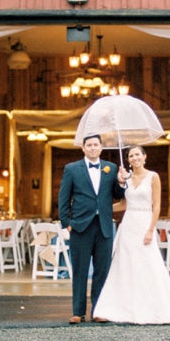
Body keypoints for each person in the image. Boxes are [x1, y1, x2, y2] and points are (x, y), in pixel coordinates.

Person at [92, 144, 170, 325]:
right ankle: (122, 307)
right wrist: (99, 209)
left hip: (144, 223)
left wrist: (150, 230)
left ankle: (153, 307)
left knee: (148, 263)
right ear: (128, 160)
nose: (135, 158)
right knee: (125, 265)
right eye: (131, 156)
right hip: (128, 225)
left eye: (137, 154)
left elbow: (156, 206)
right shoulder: (127, 178)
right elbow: (123, 204)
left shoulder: (153, 177)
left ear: (144, 156)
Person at [58, 135, 126, 324]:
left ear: (102, 147)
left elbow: (117, 195)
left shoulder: (111, 168)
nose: (93, 148)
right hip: (80, 226)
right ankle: (78, 312)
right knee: (80, 270)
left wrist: (121, 182)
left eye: (96, 145)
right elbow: (63, 198)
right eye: (89, 145)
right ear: (83, 148)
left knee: (102, 271)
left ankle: (99, 310)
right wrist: (67, 223)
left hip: (104, 226)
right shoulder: (72, 169)